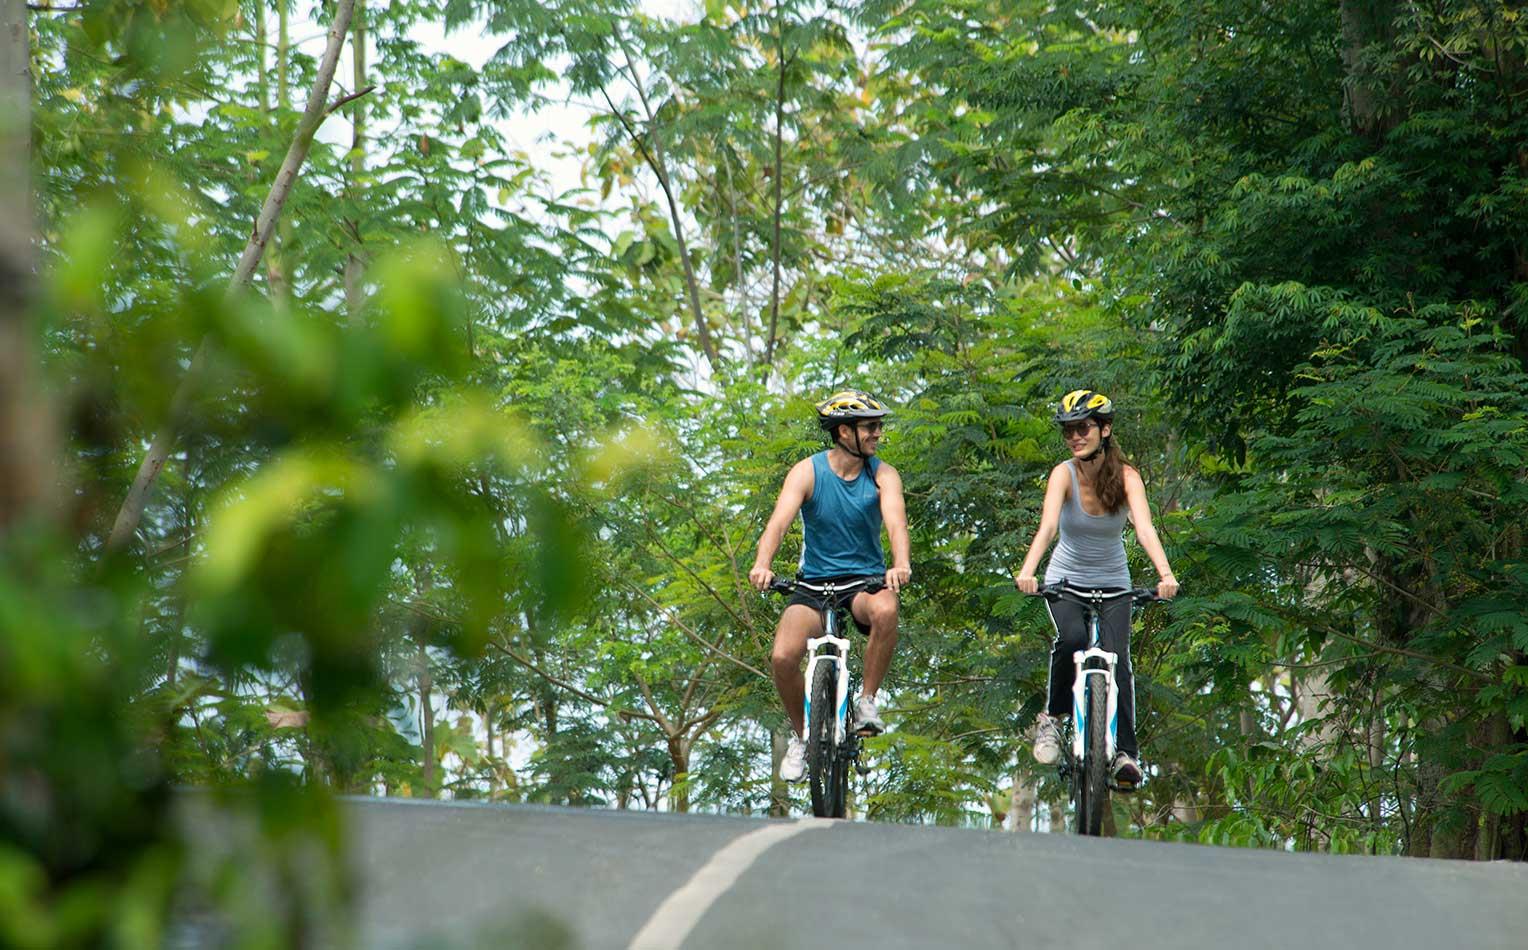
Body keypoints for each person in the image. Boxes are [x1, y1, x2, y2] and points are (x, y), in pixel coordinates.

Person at [1012, 389, 1178, 785]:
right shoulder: (1063, 474)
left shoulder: (1127, 477)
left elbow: (1144, 528)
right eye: (1068, 431)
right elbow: (1048, 528)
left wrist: (1166, 574)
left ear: (1104, 429)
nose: (1075, 437)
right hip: (1066, 581)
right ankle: (1053, 720)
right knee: (1071, 639)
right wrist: (1028, 571)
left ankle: (1126, 754)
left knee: (1118, 659)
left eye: (1083, 428)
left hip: (1114, 582)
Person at [749, 390, 912, 784]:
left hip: (863, 583)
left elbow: (895, 523)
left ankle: (867, 701)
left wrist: (900, 563)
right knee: (782, 657)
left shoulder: (883, 475)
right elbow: (778, 523)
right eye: (870, 427)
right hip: (814, 584)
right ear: (844, 432)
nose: (878, 433)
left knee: (887, 609)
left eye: (878, 425)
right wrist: (763, 564)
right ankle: (803, 737)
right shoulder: (807, 472)